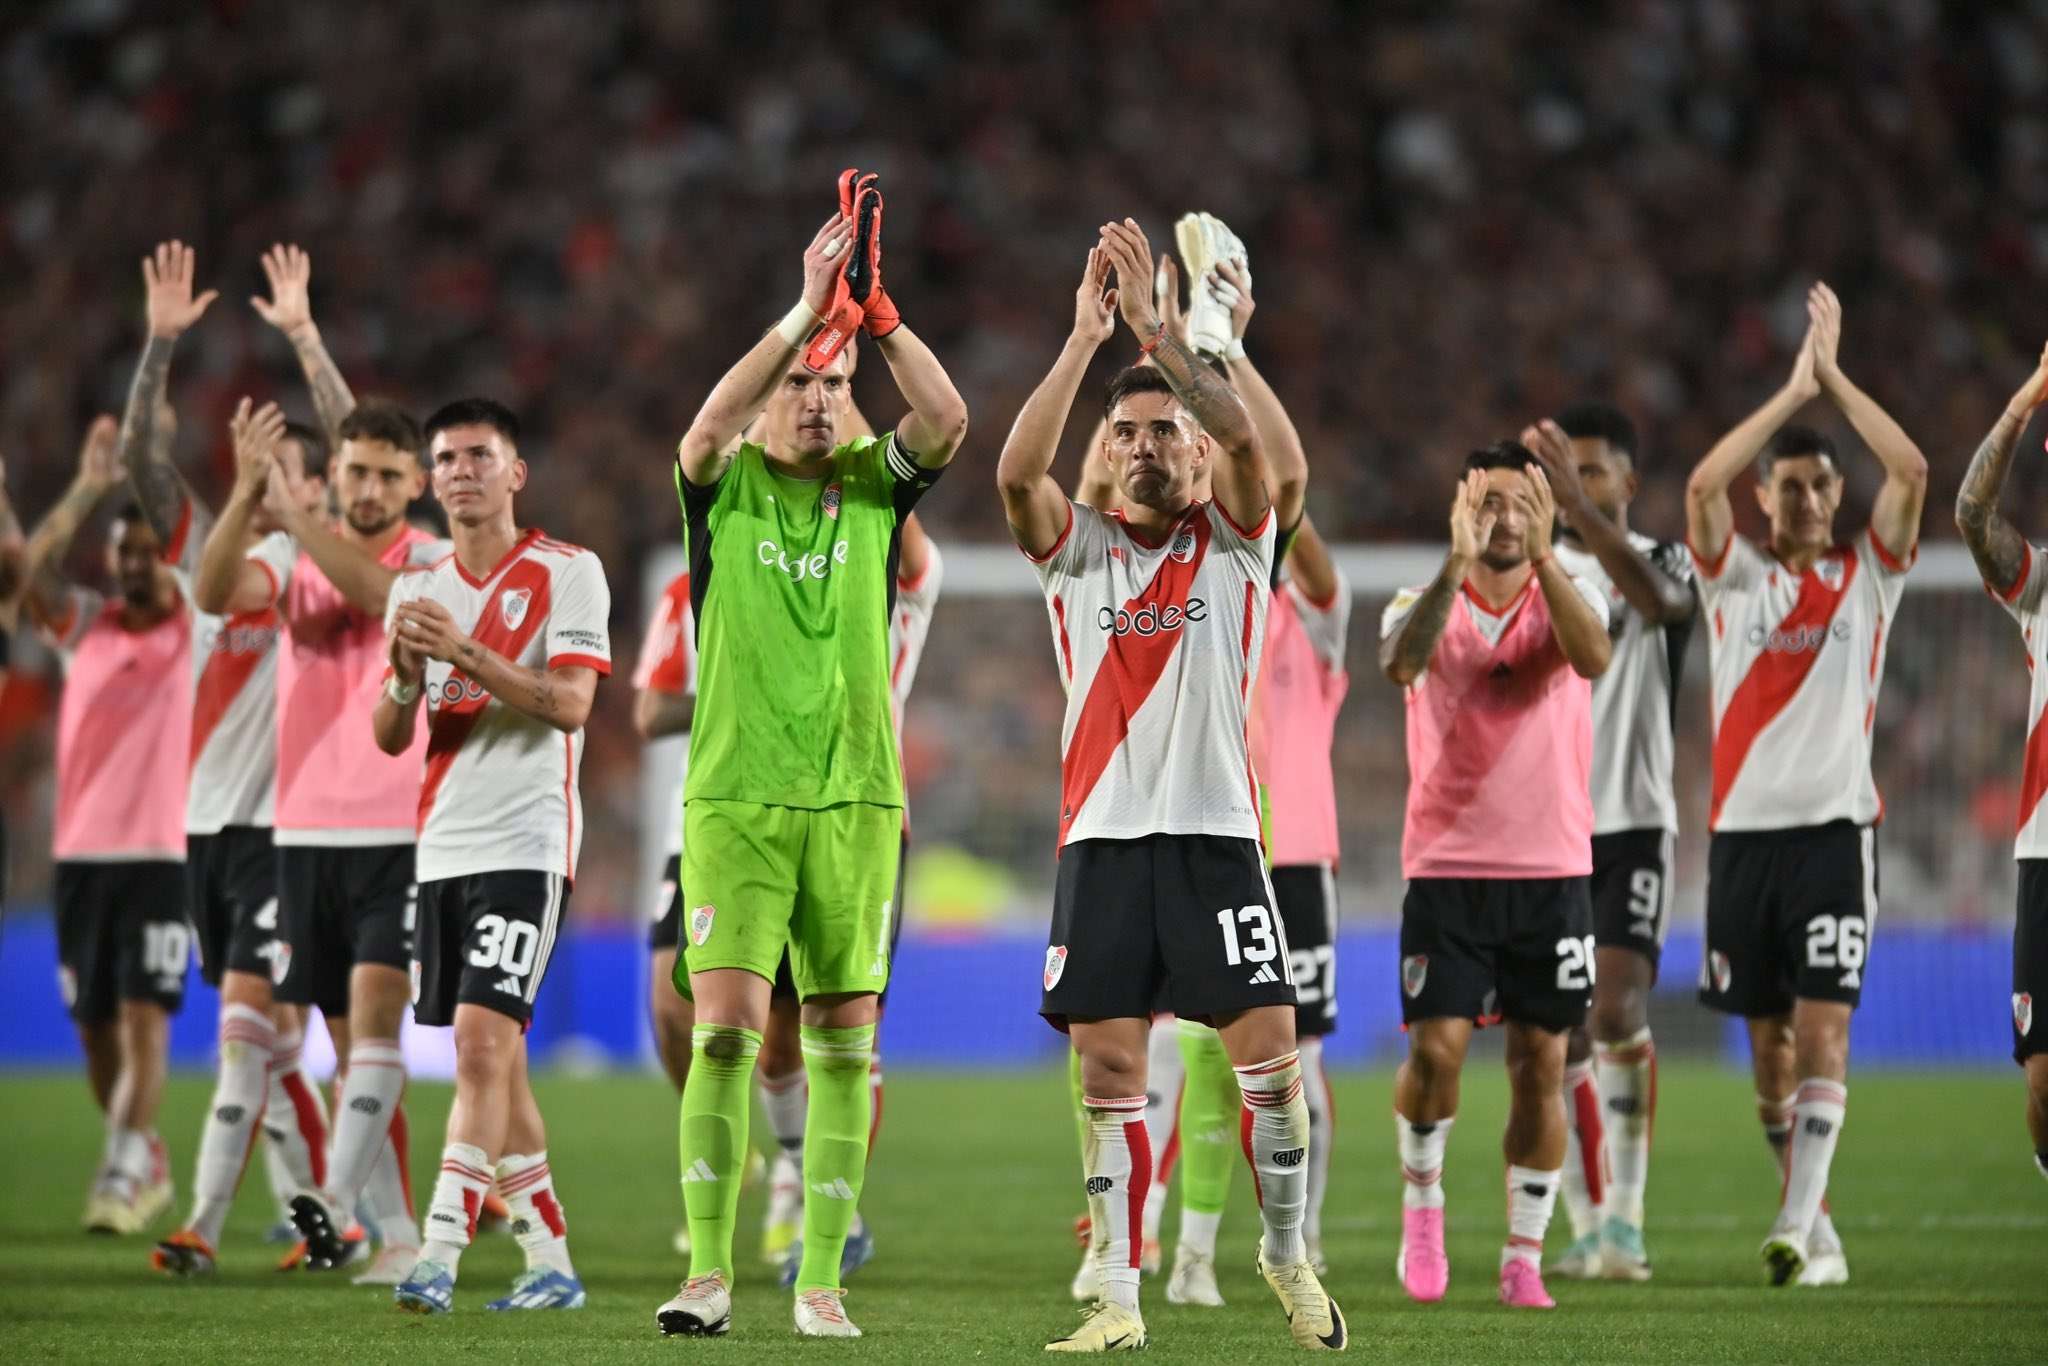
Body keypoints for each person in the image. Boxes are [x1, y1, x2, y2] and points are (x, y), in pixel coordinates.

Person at [999, 225, 1342, 1353]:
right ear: (1105, 451)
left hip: (1213, 842)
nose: (1146, 445)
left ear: (1197, 455)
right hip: (1098, 842)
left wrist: (1165, 333)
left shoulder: (1239, 542)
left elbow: (1259, 452)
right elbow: (1011, 474)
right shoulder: (1077, 550)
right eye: (1126, 430)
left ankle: (1284, 1254)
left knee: (1271, 1066)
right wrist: (1081, 339)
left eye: (1166, 431)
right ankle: (1117, 1294)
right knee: (1107, 1072)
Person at [653, 175, 967, 1340]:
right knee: (727, 1034)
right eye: (802, 386)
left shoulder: (871, 491)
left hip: (855, 800)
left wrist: (875, 321)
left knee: (842, 1047)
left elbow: (943, 425)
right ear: (765, 399)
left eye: (835, 388)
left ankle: (819, 1278)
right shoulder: (721, 484)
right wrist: (799, 313)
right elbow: (697, 427)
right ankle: (705, 1272)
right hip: (734, 797)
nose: (821, 403)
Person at [196, 248, 447, 1280]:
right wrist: (252, 490)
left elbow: (361, 561)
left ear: (415, 487)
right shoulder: (297, 547)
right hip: (301, 831)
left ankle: (351, 1210)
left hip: (396, 826)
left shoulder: (426, 557)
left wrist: (306, 343)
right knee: (342, 1041)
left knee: (374, 1026)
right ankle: (378, 1230)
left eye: (391, 475)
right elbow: (216, 592)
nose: (372, 487)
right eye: (358, 474)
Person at [1684, 283, 1925, 1286]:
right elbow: (1699, 486)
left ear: (1834, 498)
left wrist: (1833, 379)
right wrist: (1788, 397)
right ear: (1765, 498)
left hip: (1832, 836)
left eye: (1819, 488)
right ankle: (1813, 1224)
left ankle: (1790, 1222)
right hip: (1741, 840)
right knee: (1769, 1054)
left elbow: (1908, 467)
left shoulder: (1869, 577)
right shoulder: (1730, 578)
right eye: (1786, 487)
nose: (1804, 500)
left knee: (1821, 1026)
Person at [371, 397, 609, 1314]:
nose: (461, 471)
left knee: (479, 1045)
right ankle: (549, 1259)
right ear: (433, 482)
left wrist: (462, 649)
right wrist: (401, 670)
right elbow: (392, 735)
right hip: (442, 844)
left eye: (480, 455)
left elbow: (571, 705)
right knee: (496, 1061)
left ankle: (436, 1252)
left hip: (527, 839)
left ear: (516, 473)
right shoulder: (414, 586)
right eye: (447, 459)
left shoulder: (567, 571)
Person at [1378, 426, 1612, 1312]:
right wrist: (1453, 561)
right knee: (1436, 1055)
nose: (1504, 519)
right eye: (1487, 503)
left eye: (1520, 502)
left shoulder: (1570, 594)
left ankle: (1523, 1254)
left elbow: (1594, 658)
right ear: (1460, 511)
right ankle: (1424, 1207)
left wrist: (1551, 558)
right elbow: (1401, 661)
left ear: (1545, 512)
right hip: (1446, 871)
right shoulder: (1417, 599)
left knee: (1539, 1066)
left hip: (1551, 873)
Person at [150, 393, 336, 1276]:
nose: (268, 486)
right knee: (282, 1045)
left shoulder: (315, 568)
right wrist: (158, 349)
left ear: (316, 488)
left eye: (285, 473)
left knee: (244, 1034)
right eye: (259, 469)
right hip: (204, 829)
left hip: (280, 832)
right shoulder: (222, 553)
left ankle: (203, 1224)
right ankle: (336, 1217)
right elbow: (154, 472)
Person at [1531, 402, 1697, 1283]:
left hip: (1632, 821)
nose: (1577, 487)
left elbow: (1664, 605)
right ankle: (1587, 1222)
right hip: (1548, 834)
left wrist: (1580, 514)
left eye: (1595, 473)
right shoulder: (1537, 568)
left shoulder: (1661, 562)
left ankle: (1627, 1220)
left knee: (1616, 1011)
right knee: (1558, 1036)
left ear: (1628, 485)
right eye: (1570, 473)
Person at [24, 412, 189, 1237]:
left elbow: (199, 545)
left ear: (168, 561)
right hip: (80, 856)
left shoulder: (193, 630)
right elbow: (23, 572)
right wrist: (90, 484)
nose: (131, 563)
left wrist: (152, 455)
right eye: (121, 551)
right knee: (94, 1029)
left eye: (146, 551)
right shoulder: (84, 625)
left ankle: (123, 1166)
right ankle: (140, 1145)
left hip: (162, 854)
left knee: (144, 1015)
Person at [771, 509, 943, 1288]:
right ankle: (792, 1171)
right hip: (762, 820)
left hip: (867, 825)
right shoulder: (772, 576)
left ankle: (826, 1217)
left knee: (850, 1033)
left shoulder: (899, 594)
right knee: (771, 1046)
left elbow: (901, 515)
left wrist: (833, 402)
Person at [1951, 344, 2048, 1187]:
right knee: (2045, 1083)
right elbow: (1971, 513)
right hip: (2046, 857)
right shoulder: (2042, 581)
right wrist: (2024, 403)